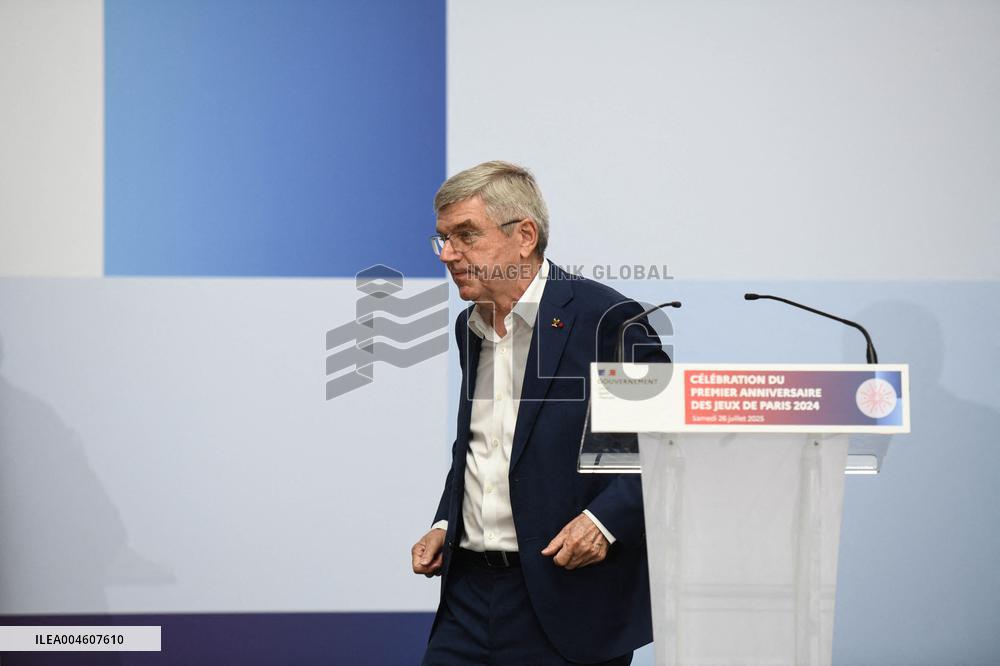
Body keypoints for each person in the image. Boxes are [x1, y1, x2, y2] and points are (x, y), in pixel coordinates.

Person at [412, 161, 668, 665]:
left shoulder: (609, 320)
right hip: (467, 597)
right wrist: (447, 520)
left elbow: (661, 444)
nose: (447, 254)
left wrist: (604, 521)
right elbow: (483, 442)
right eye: (442, 238)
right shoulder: (470, 326)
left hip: (569, 599)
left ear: (524, 235)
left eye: (465, 235)